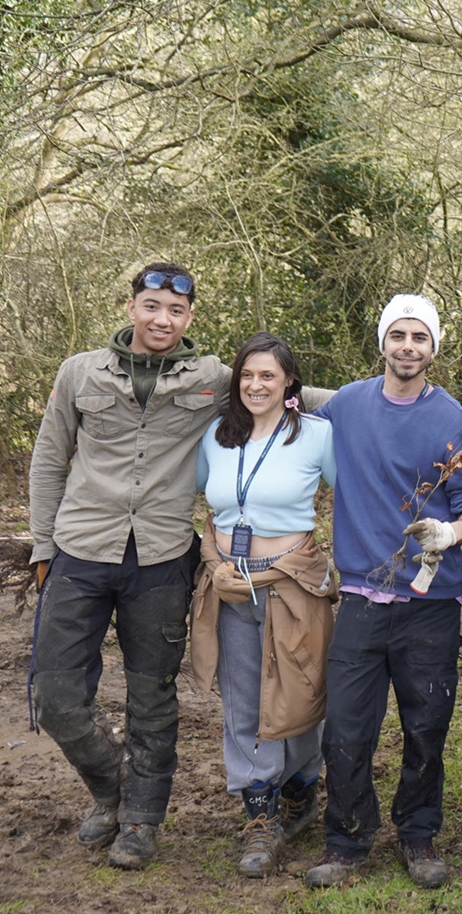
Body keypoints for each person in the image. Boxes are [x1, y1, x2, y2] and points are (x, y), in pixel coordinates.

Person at [28, 264, 234, 868]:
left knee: (152, 697)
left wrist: (392, 397)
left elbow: (286, 391)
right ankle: (109, 787)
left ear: (190, 317)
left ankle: (142, 820)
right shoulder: (80, 372)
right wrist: (43, 548)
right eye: (150, 306)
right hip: (80, 552)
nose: (161, 320)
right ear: (131, 307)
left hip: (161, 559)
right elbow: (48, 459)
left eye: (174, 311)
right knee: (57, 695)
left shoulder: (214, 379)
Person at [302, 294, 462, 891]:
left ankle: (418, 835)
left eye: (420, 337)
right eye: (399, 335)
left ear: (434, 348)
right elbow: (279, 404)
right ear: (382, 341)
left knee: (426, 724)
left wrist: (449, 534)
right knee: (346, 729)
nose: (408, 346)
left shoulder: (453, 419)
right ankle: (347, 838)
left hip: (430, 604)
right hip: (360, 595)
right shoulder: (348, 406)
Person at [189, 333, 337, 878]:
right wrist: (213, 563)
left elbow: (356, 495)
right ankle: (259, 810)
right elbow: (198, 501)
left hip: (292, 585)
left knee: (297, 693)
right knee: (245, 700)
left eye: (268, 376)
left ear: (290, 382)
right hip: (232, 587)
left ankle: (301, 787)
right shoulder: (216, 436)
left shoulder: (318, 436)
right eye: (247, 375)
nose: (256, 385)